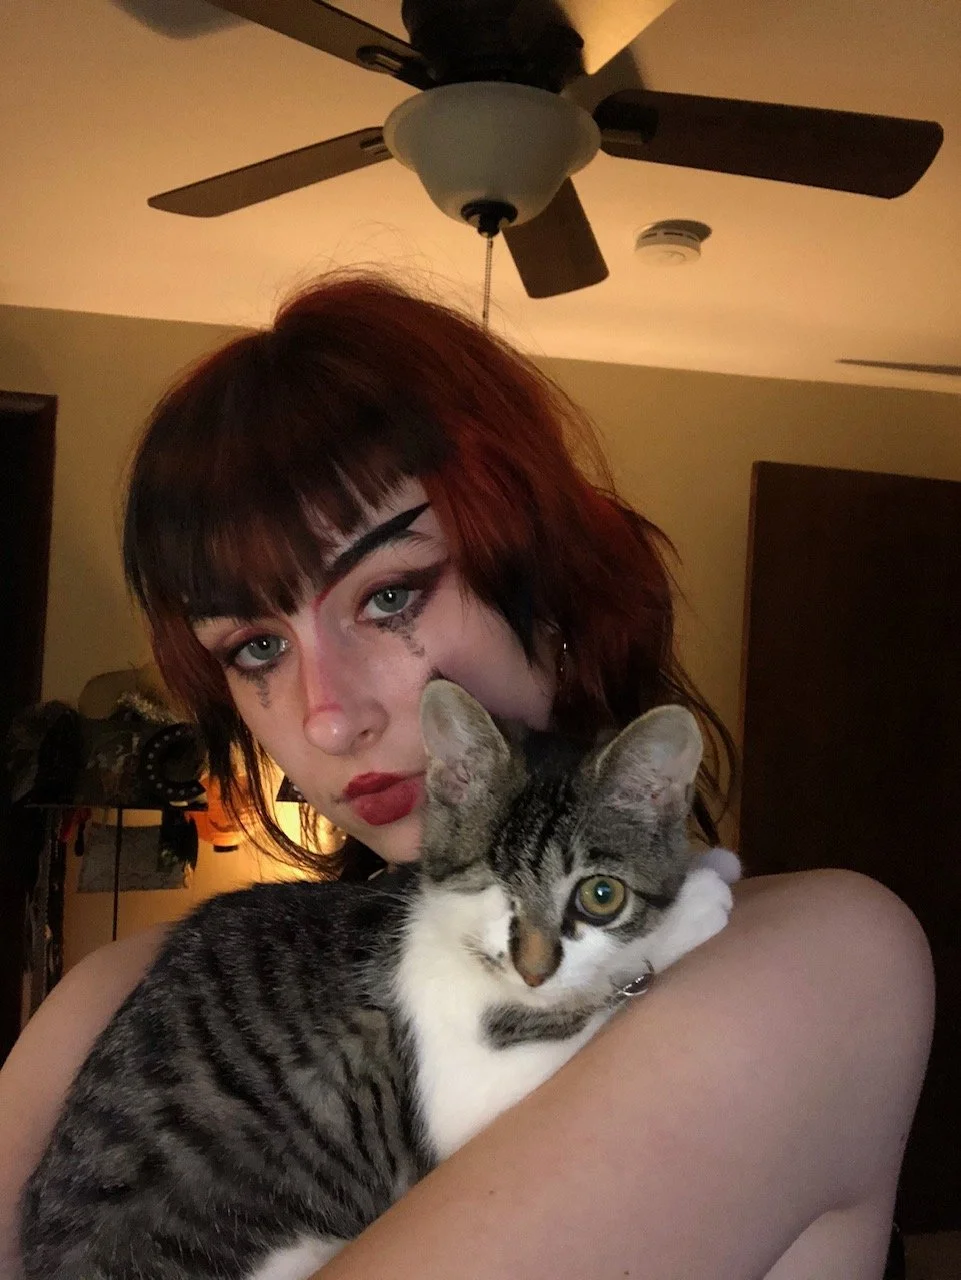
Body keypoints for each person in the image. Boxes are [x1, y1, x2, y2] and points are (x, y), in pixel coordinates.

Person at [0, 273, 933, 1279]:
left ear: (554, 587)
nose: (329, 715)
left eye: (388, 594)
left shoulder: (819, 960)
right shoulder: (111, 992)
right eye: (257, 647)